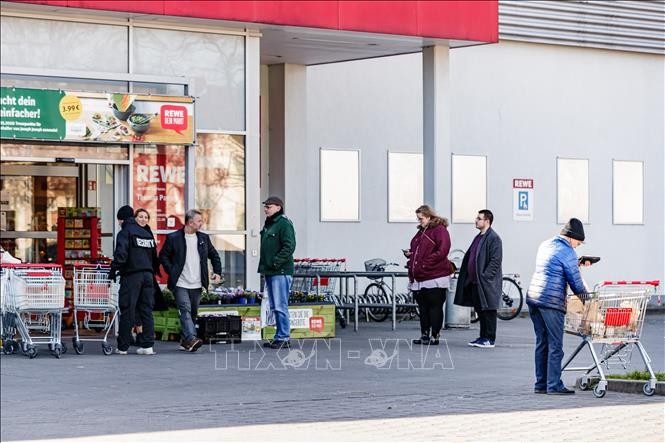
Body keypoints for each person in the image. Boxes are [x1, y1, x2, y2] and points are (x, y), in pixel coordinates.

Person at [526, 218, 589, 395]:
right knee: (555, 345)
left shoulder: (545, 244)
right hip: (551, 302)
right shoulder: (568, 251)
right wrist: (589, 302)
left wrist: (575, 264)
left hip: (533, 298)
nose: (578, 245)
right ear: (571, 237)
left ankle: (541, 384)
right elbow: (576, 283)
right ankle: (554, 385)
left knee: (542, 342)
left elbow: (553, 268)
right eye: (578, 242)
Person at [159, 209, 222, 352]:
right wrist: (172, 270)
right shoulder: (174, 238)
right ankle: (192, 338)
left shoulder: (203, 239)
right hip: (180, 282)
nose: (201, 223)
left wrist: (217, 271)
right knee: (185, 309)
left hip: (197, 282)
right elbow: (163, 256)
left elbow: (214, 255)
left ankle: (185, 341)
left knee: (193, 312)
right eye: (199, 221)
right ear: (190, 222)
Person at [109, 205, 160, 355]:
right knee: (146, 310)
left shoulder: (125, 232)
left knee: (128, 309)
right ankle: (147, 346)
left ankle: (123, 347)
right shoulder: (146, 233)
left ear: (121, 219)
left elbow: (121, 255)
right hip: (148, 276)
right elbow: (154, 257)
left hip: (132, 275)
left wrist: (113, 271)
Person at [454, 209, 503, 348]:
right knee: (481, 310)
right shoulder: (479, 237)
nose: (476, 220)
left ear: (487, 221)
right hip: (475, 282)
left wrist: (485, 276)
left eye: (479, 218)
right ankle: (482, 337)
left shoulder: (493, 238)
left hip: (486, 283)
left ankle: (490, 339)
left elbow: (495, 261)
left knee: (489, 310)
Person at [404, 205, 453, 345]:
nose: (419, 221)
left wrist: (425, 263)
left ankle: (435, 335)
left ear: (429, 216)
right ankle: (424, 334)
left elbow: (443, 250)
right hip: (421, 275)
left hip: (435, 275)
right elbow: (421, 250)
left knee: (434, 306)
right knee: (423, 308)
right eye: (418, 219)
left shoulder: (440, 230)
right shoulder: (421, 232)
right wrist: (411, 254)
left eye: (421, 218)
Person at [258, 196, 296, 349]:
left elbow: (289, 246)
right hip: (271, 270)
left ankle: (284, 337)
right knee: (274, 305)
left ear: (278, 208)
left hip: (280, 270)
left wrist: (275, 262)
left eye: (269, 206)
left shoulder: (283, 224)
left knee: (280, 305)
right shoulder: (270, 224)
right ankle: (279, 336)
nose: (266, 209)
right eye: (265, 206)